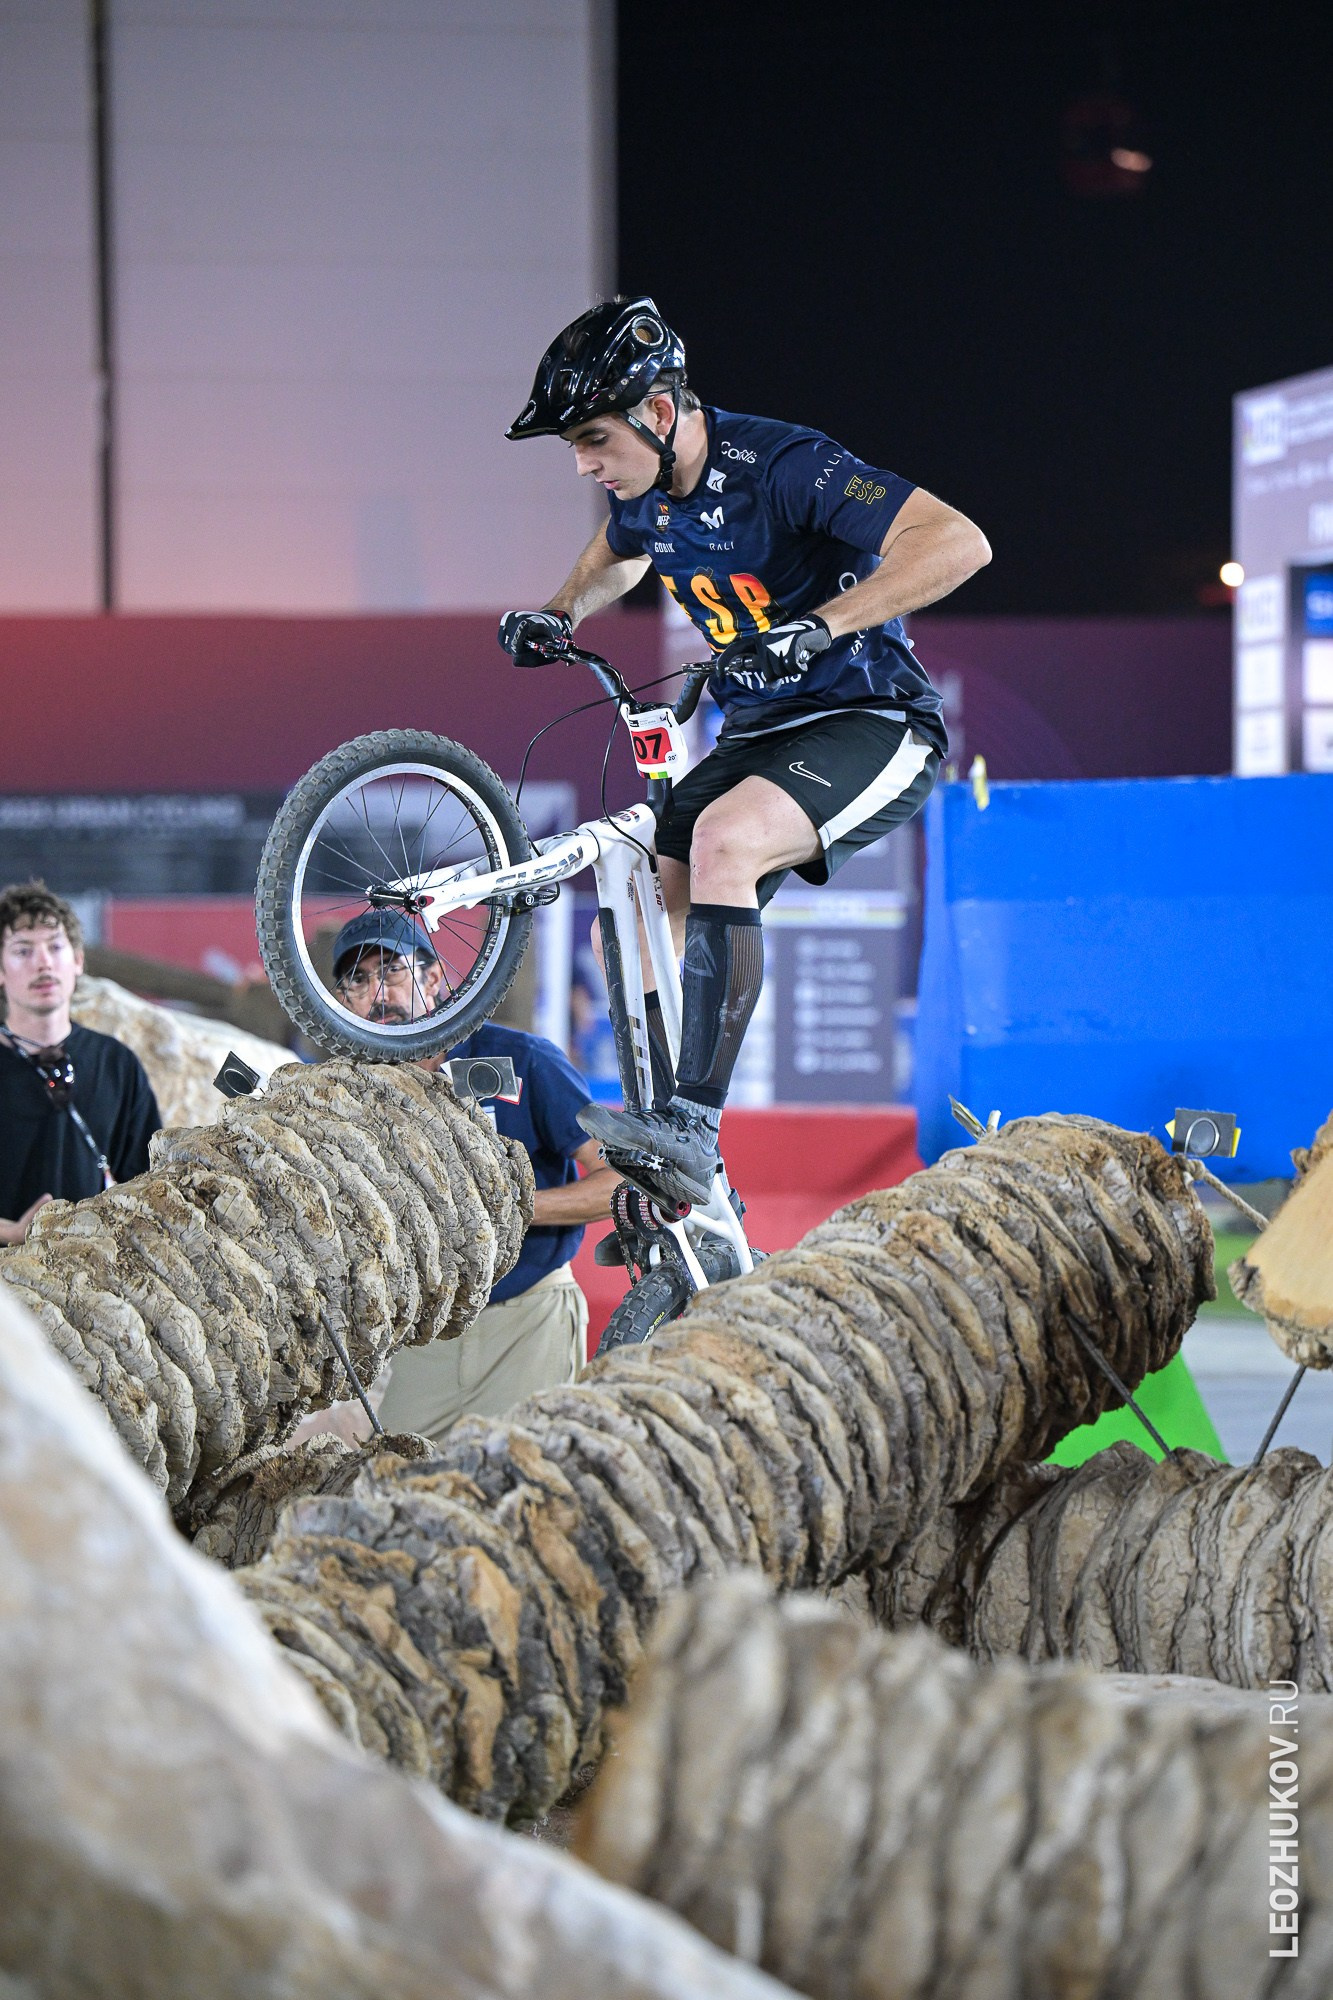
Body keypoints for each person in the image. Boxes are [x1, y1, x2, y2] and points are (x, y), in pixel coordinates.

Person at [499, 296, 991, 1204]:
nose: (581, 464)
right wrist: (560, 610)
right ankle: (665, 1144)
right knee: (652, 891)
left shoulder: (782, 464)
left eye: (594, 439)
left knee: (724, 841)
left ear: (657, 413)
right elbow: (618, 551)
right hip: (759, 729)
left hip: (869, 719)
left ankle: (691, 1125)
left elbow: (958, 541)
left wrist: (817, 627)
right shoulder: (647, 494)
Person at [323, 910, 618, 1444]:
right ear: (343, 1001)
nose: (376, 992)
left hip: (527, 1321)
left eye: (390, 971)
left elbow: (619, 1178)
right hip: (419, 1335)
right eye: (357, 981)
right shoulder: (347, 1093)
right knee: (393, 1492)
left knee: (525, 1490)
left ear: (434, 979)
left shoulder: (523, 1060)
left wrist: (515, 1209)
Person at [0, 881, 160, 1244]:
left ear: (77, 961)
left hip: (95, 1274)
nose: (43, 962)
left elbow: (148, 1182)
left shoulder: (117, 1063)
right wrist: (12, 1233)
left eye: (55, 947)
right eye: (23, 951)